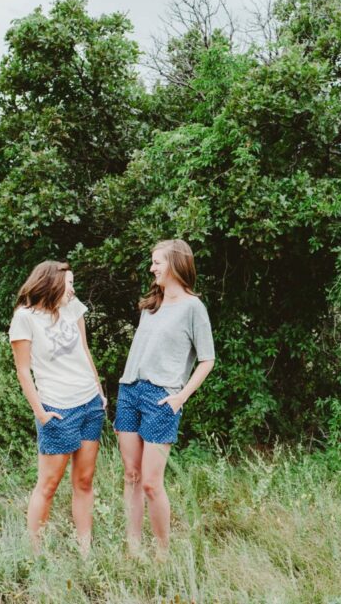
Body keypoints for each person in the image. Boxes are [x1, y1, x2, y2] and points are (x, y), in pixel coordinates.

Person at [114, 239, 215, 560]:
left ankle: (162, 553)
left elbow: (207, 360)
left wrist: (180, 397)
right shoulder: (153, 304)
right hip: (130, 391)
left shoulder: (193, 308)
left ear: (175, 264)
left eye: (157, 262)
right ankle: (133, 549)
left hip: (162, 399)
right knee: (131, 475)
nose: (152, 267)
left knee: (151, 483)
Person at [8, 261, 107, 555]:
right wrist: (40, 412)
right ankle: (35, 553)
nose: (73, 290)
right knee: (48, 484)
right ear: (51, 284)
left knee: (85, 480)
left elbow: (84, 351)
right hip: (58, 409)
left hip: (89, 403)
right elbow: (23, 371)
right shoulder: (25, 318)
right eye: (69, 284)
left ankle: (85, 549)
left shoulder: (72, 307)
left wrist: (100, 392)